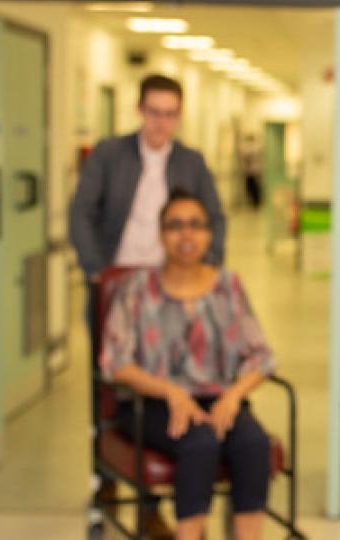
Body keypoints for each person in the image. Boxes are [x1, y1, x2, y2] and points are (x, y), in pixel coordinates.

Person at [70, 75, 226, 537]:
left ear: (179, 116)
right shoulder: (109, 155)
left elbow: (214, 216)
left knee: (167, 383)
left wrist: (207, 272)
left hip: (172, 290)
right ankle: (106, 476)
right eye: (154, 112)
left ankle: (151, 499)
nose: (161, 123)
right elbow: (82, 211)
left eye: (170, 114)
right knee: (111, 386)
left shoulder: (191, 163)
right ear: (140, 111)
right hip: (117, 284)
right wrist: (97, 270)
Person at [100, 191, 274, 540]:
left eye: (195, 225)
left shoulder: (228, 285)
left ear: (209, 234)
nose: (186, 235)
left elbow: (261, 355)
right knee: (201, 443)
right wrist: (171, 392)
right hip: (151, 403)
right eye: (175, 226)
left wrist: (234, 396)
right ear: (161, 235)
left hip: (219, 399)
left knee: (253, 442)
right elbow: (114, 362)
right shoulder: (137, 287)